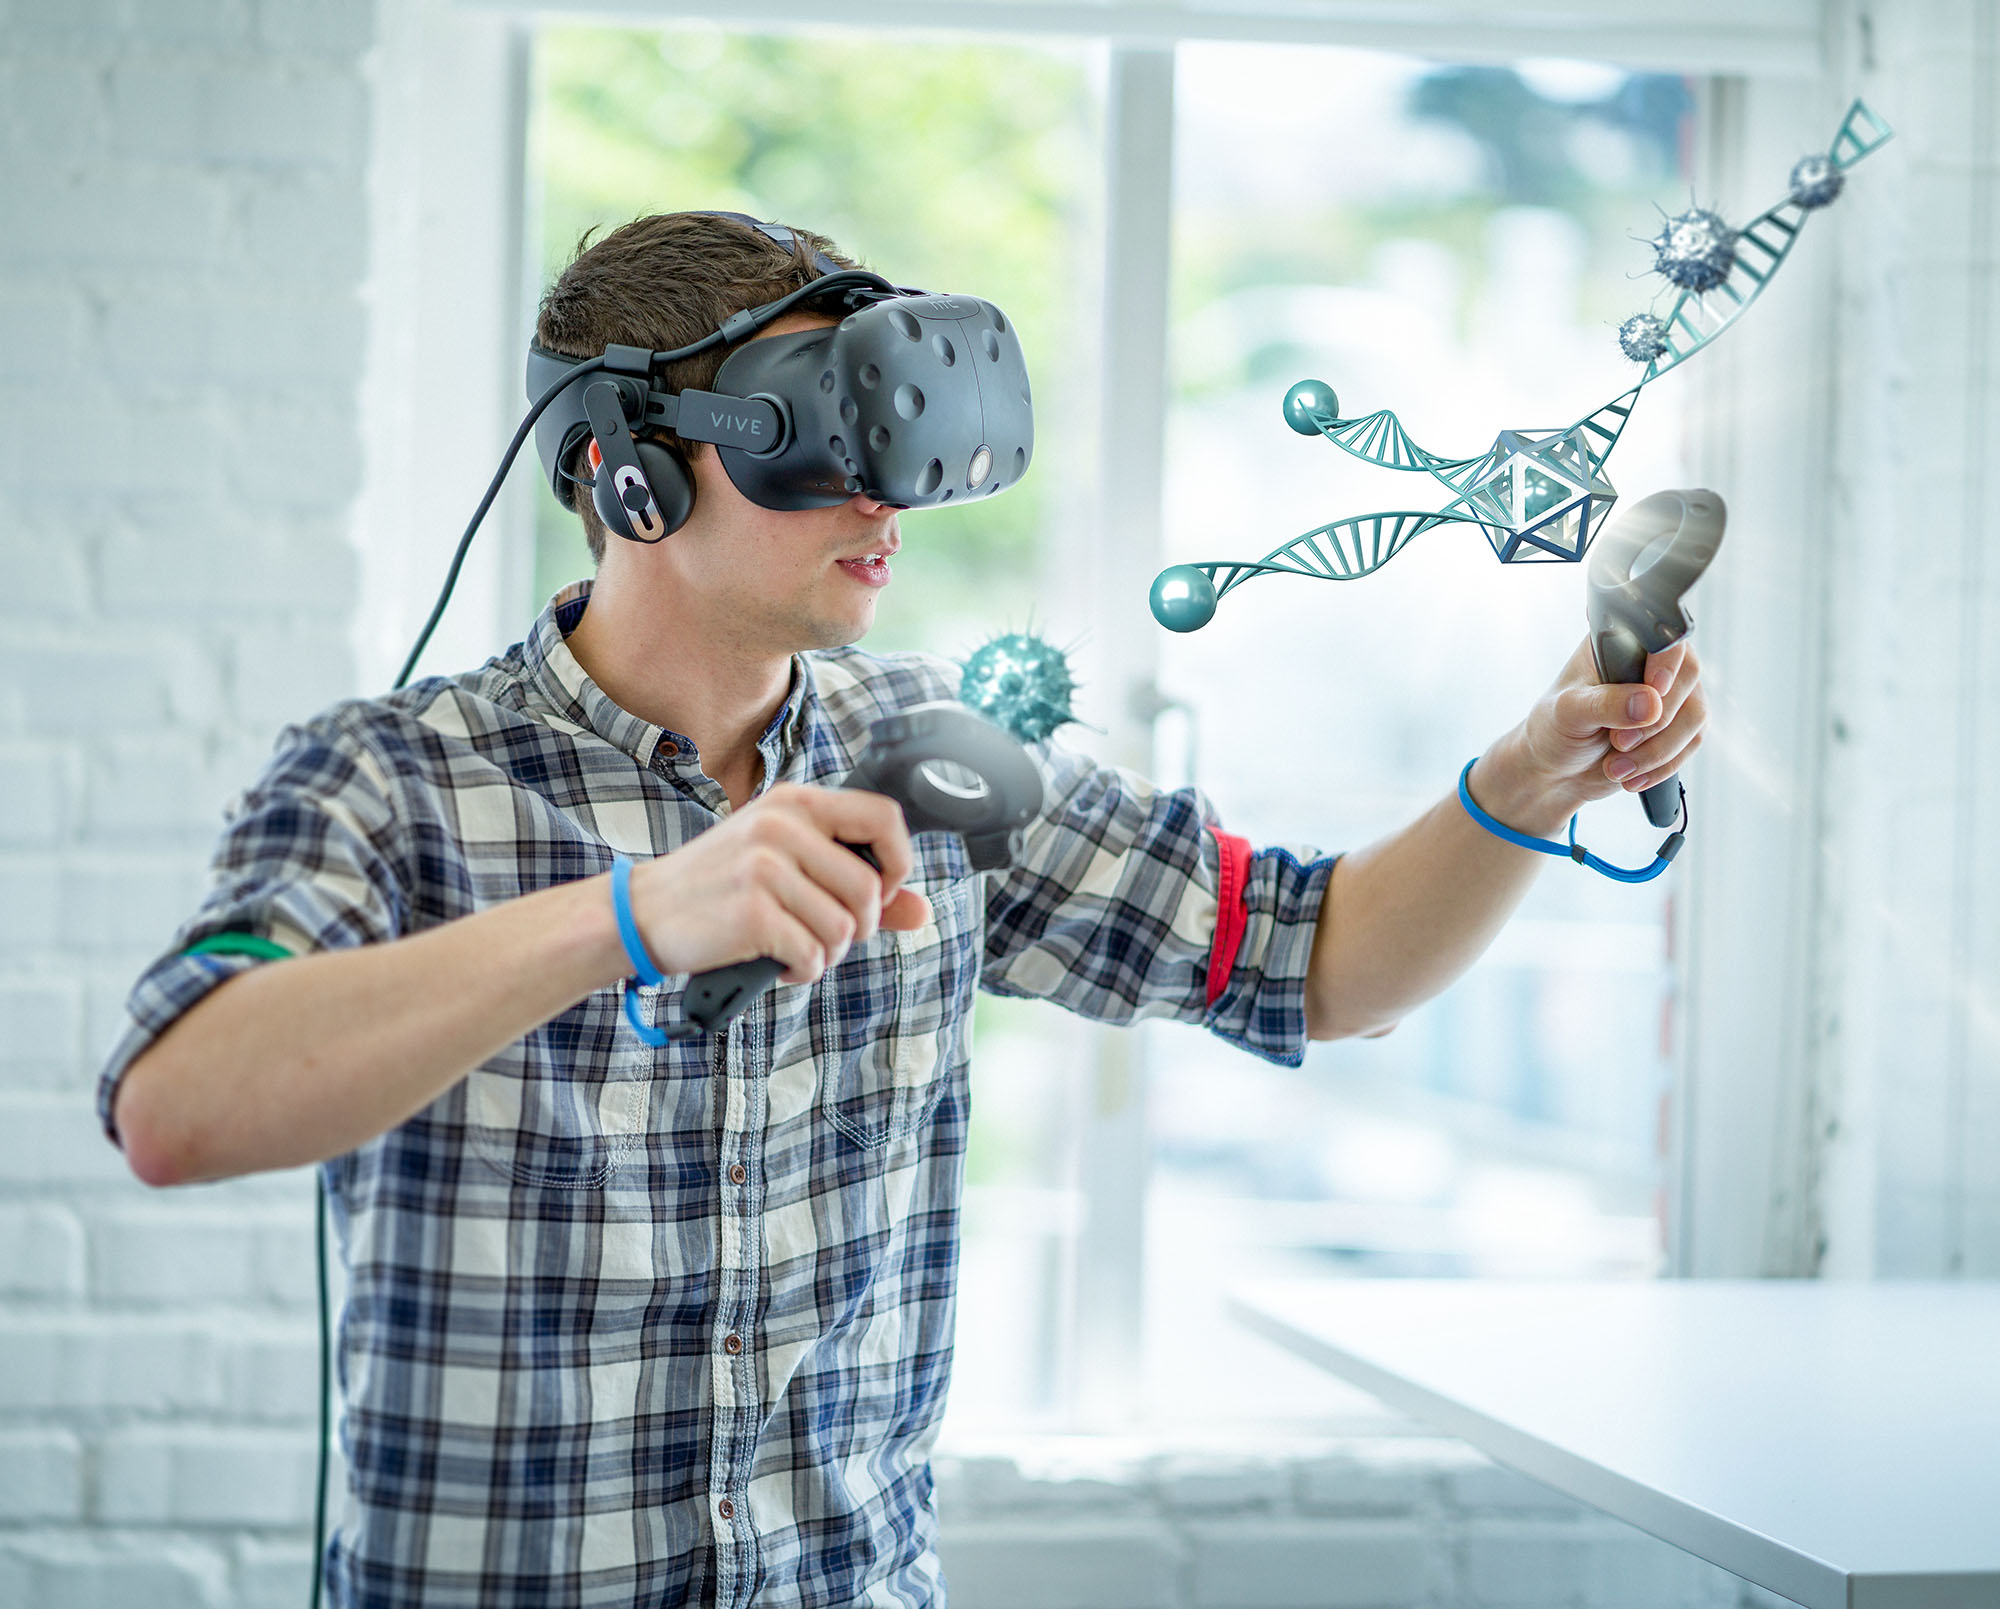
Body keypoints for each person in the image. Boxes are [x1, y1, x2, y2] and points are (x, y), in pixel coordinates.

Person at [99, 212, 1707, 1608]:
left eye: (900, 429)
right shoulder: (392, 778)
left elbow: (1321, 961)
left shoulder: (942, 758)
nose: (887, 495)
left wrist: (1528, 775)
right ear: (629, 472)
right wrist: (637, 913)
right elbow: (179, 1100)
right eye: (819, 430)